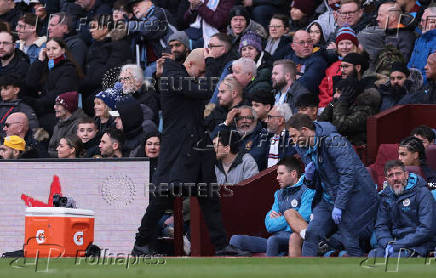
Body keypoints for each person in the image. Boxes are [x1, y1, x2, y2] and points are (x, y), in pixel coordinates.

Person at [133, 48, 248, 256]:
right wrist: (213, 62)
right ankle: (140, 243)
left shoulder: (180, 79)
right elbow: (205, 90)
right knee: (163, 199)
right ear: (191, 65)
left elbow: (197, 115)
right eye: (202, 71)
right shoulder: (173, 77)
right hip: (179, 152)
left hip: (195, 152)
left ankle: (221, 246)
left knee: (210, 199)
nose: (202, 76)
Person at [287, 113, 378, 256]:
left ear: (304, 130)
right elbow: (315, 182)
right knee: (311, 234)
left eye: (293, 136)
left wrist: (340, 205)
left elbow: (348, 175)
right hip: (328, 198)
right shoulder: (303, 146)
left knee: (350, 242)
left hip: (354, 197)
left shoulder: (333, 141)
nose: (292, 141)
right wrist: (309, 178)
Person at [229, 157, 315, 256]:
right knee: (235, 240)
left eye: (281, 174)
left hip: (297, 239)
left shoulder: (307, 191)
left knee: (273, 240)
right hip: (276, 238)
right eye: (277, 174)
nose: (277, 177)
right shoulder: (278, 194)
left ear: (293, 174)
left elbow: (303, 219)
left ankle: (270, 270)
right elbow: (270, 225)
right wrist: (289, 219)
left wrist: (283, 218)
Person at [368, 160, 435, 258]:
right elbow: (381, 226)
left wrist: (398, 245)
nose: (395, 178)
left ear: (406, 175)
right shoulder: (385, 196)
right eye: (391, 175)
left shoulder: (423, 193)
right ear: (387, 179)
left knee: (396, 257)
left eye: (398, 174)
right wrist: (387, 244)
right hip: (395, 242)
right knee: (374, 255)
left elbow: (426, 229)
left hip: (420, 243)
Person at [25, 37, 81, 135]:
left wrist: (37, 103)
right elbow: (30, 83)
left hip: (57, 111)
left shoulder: (68, 69)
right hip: (43, 108)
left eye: (54, 49)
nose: (50, 52)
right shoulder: (44, 65)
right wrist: (39, 60)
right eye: (48, 49)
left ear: (63, 50)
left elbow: (60, 93)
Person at [80, 15, 133, 115]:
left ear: (105, 29)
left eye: (94, 27)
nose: (91, 30)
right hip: (91, 88)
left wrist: (84, 84)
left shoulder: (119, 46)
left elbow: (109, 72)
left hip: (107, 89)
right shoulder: (94, 45)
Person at [358, 2, 415, 71]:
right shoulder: (383, 33)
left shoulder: (406, 36)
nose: (377, 19)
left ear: (393, 17)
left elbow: (401, 64)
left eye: (381, 15)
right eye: (377, 15)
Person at [318, 26, 360, 109]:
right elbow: (323, 91)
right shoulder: (332, 67)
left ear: (355, 45)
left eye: (348, 43)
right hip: (328, 108)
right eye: (341, 43)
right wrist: (328, 106)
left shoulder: (360, 65)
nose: (344, 47)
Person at [283, 30, 327, 95]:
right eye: (302, 42)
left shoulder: (318, 61)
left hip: (305, 100)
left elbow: (306, 84)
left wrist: (291, 79)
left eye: (309, 42)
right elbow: (278, 79)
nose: (306, 45)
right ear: (293, 46)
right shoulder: (288, 58)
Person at [48, 91, 86, 157]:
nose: (54, 107)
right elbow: (51, 148)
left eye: (58, 105)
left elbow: (78, 150)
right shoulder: (58, 125)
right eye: (55, 104)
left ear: (68, 107)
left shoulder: (80, 124)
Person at [407, 7, 436, 85]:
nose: (420, 24)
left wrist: (415, 83)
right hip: (412, 82)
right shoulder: (420, 39)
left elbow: (432, 73)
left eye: (423, 21)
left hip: (426, 87)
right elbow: (410, 64)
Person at [264, 104, 295, 169]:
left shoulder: (292, 139)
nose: (266, 121)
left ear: (280, 121)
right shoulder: (268, 138)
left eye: (269, 117)